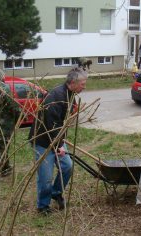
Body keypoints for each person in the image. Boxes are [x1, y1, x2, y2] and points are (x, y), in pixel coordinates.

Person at [29, 67, 87, 215]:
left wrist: (61, 142)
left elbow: (62, 122)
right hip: (42, 140)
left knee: (67, 166)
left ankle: (56, 192)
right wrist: (59, 145)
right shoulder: (57, 96)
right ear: (73, 82)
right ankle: (43, 205)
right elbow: (51, 124)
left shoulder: (70, 94)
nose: (84, 86)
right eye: (82, 83)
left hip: (56, 137)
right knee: (45, 176)